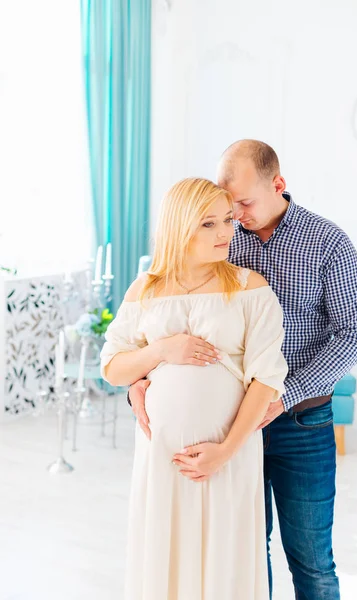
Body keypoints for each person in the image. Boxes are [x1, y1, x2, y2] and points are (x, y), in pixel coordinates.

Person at [129, 141, 357, 599]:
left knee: (313, 561)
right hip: (225, 425)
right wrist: (141, 381)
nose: (233, 216)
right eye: (226, 205)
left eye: (243, 203)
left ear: (278, 185)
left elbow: (355, 333)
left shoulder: (328, 243)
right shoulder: (218, 236)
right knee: (241, 553)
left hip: (301, 420)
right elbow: (167, 316)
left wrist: (286, 393)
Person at [101, 177, 288, 599]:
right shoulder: (145, 289)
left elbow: (266, 380)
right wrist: (163, 349)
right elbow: (113, 367)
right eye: (209, 224)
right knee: (165, 554)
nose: (225, 232)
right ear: (179, 225)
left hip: (229, 453)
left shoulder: (249, 288)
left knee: (226, 559)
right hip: (163, 455)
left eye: (226, 220)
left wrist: (225, 451)